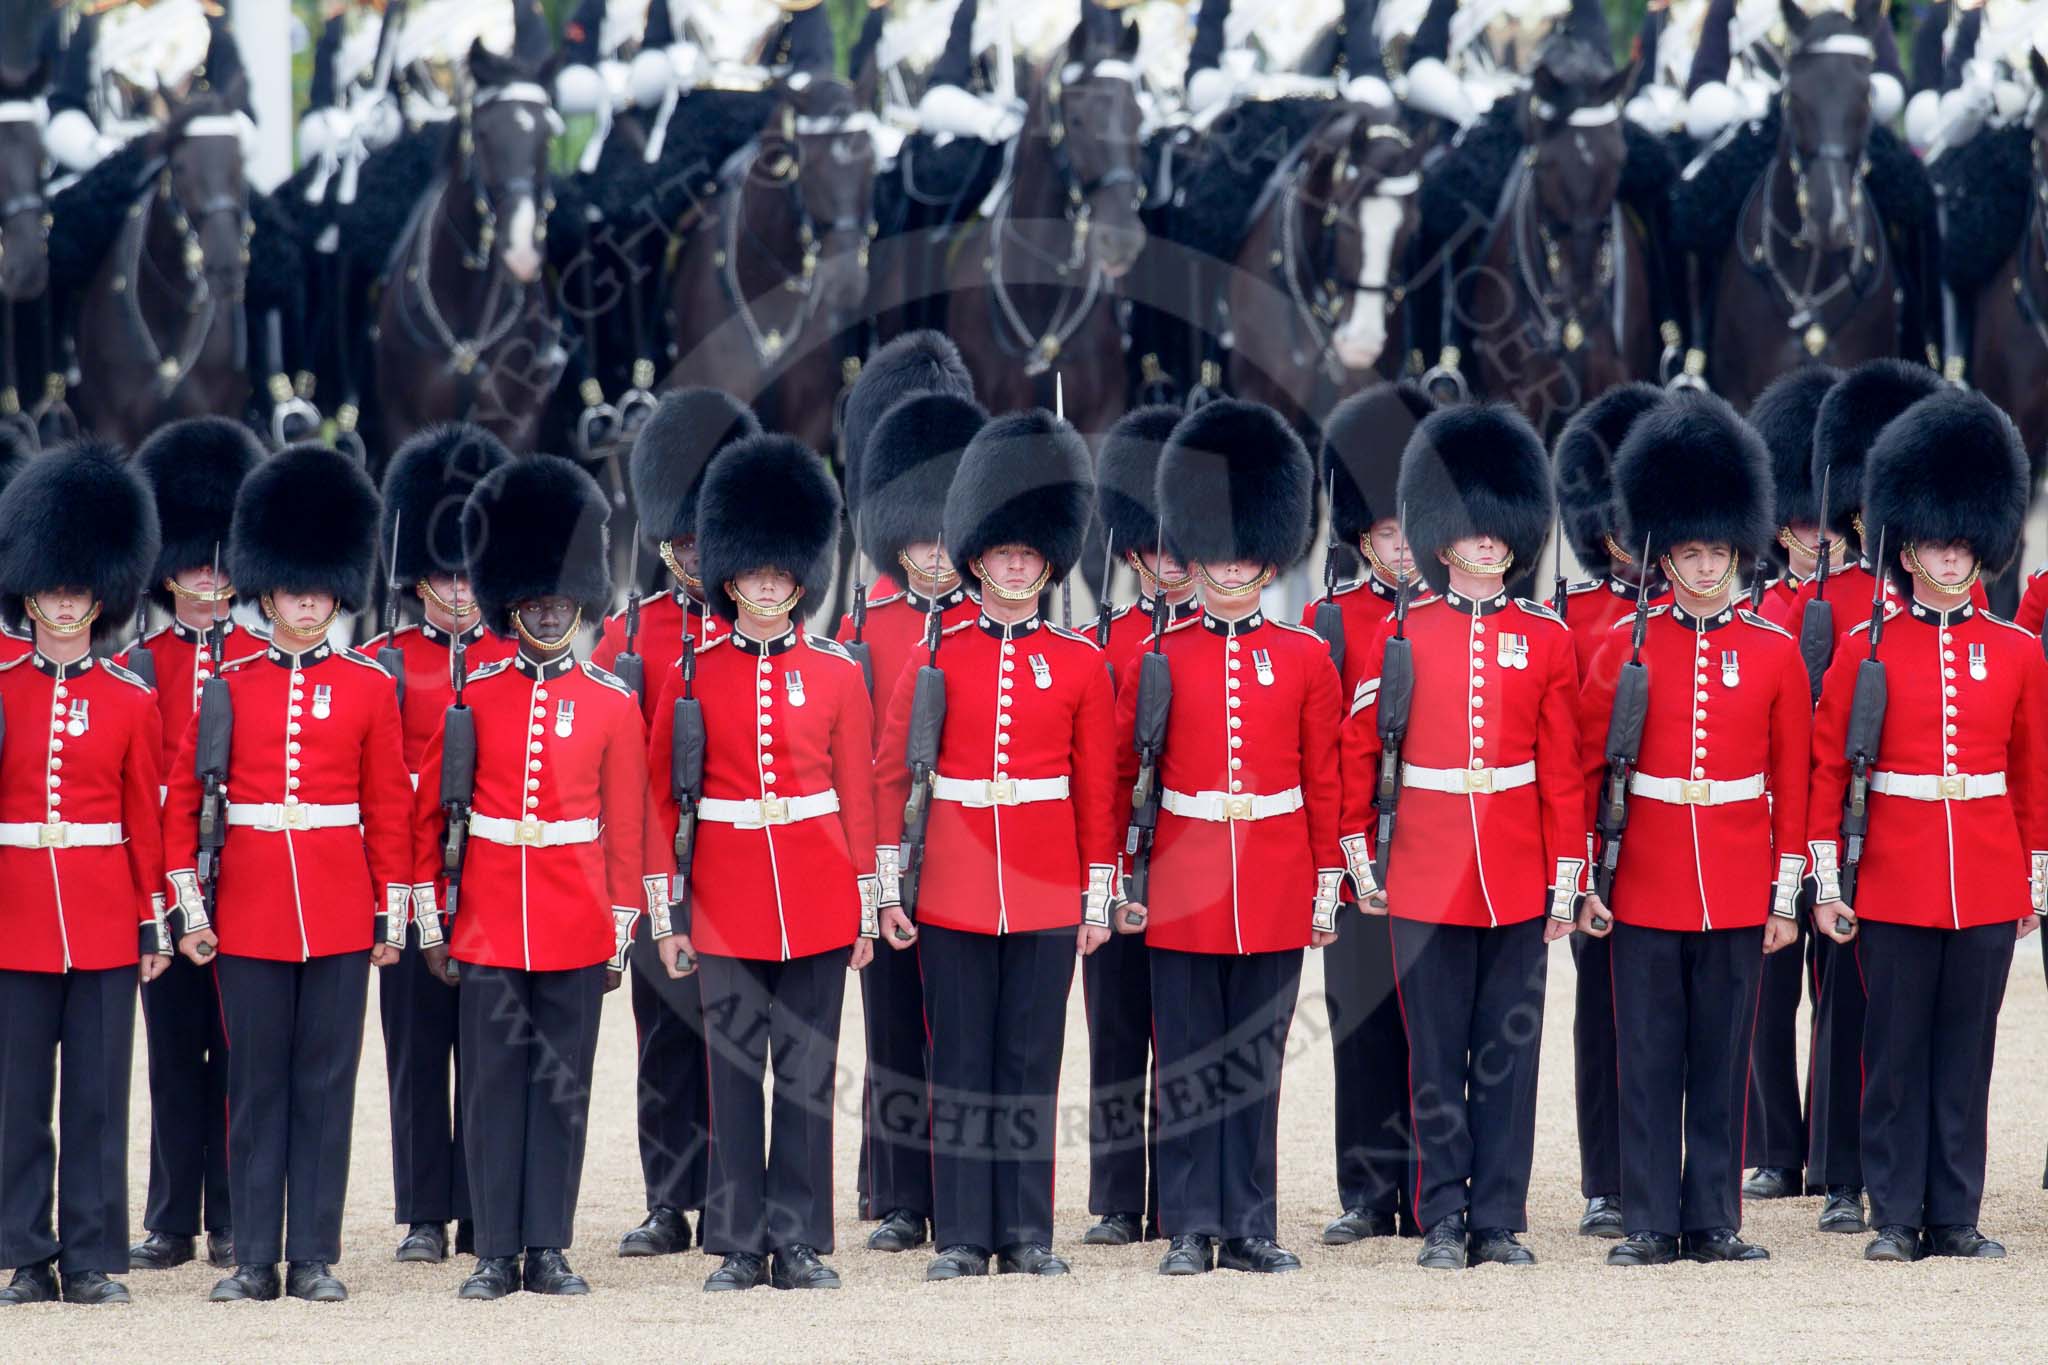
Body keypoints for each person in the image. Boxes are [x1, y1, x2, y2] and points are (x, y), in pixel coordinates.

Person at [162, 443, 413, 1305]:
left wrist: (392, 915)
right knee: (255, 1082)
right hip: (253, 909)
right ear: (265, 591)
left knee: (326, 1083)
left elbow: (388, 809)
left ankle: (312, 1252)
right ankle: (251, 1257)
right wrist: (190, 908)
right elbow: (183, 808)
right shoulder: (226, 685)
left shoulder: (368, 687)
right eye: (293, 587)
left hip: (341, 910)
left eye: (320, 588)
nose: (308, 601)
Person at [1339, 403, 1585, 1271]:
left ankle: (1500, 1216)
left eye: (1497, 532)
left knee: (1508, 1055)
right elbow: (1359, 753)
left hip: (1516, 871)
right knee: (1436, 1056)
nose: (1485, 546)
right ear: (1444, 541)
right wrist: (1360, 861)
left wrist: (1566, 876)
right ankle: (1442, 1211)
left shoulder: (1546, 637)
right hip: (1426, 869)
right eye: (1470, 533)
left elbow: (1560, 768)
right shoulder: (1401, 633)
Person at [874, 410, 1117, 1281]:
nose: (1016, 565)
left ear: (1048, 562)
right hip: (955, 888)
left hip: (1047, 887)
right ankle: (965, 1233)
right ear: (977, 558)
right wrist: (889, 889)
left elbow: (1096, 788)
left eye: (1029, 555)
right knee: (962, 1061)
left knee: (1030, 1062)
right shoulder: (936, 654)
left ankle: (1026, 1231)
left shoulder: (1080, 660)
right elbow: (890, 776)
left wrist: (1094, 896)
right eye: (1002, 553)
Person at [1808, 389, 2047, 1263]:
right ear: (1904, 547)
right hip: (1896, 876)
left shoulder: (2018, 652)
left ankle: (1955, 1213)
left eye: (1962, 541)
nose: (1950, 557)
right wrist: (1828, 881)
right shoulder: (1865, 647)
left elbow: (2031, 780)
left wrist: (2032, 883)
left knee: (1966, 1058)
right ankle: (1894, 1212)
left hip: (1983, 876)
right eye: (1935, 542)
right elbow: (1828, 770)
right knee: (1894, 1052)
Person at [1577, 393, 1811, 1266]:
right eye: (1688, 551)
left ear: (1735, 549)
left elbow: (1792, 779)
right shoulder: (1622, 648)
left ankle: (1713, 1215)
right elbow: (1585, 766)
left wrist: (1785, 892)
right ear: (1662, 553)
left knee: (1723, 1056)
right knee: (1647, 1056)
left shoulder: (1773, 650)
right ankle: (1647, 1218)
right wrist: (1587, 877)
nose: (1704, 566)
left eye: (1716, 550)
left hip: (1740, 878)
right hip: (1645, 876)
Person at [1112, 399, 1342, 1278]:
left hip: (1277, 879)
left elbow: (1324, 780)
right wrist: (1120, 880)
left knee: (1254, 1063)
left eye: (1248, 549)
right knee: (1186, 1062)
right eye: (1219, 548)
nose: (1233, 564)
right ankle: (1187, 1223)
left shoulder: (1304, 656)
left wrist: (1328, 883)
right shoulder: (1155, 657)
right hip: (1181, 877)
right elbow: (1126, 782)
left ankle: (1249, 1220)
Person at [411, 455, 647, 1300]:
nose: (549, 613)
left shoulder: (614, 703)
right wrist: (432, 919)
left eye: (560, 600)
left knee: (560, 1089)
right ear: (514, 604)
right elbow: (430, 817)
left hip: (577, 920)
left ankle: (547, 1244)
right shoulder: (472, 699)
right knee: (491, 1088)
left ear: (579, 602)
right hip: (490, 919)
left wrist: (622, 927)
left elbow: (628, 827)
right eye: (536, 601)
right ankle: (493, 1249)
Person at [646, 433, 878, 1292]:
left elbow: (859, 795)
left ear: (799, 575)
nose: (771, 586)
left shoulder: (837, 673)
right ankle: (741, 1239)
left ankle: (801, 1238)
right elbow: (663, 804)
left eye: (784, 573)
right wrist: (669, 916)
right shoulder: (693, 674)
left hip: (817, 896)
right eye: (755, 574)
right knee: (735, 1073)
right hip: (726, 894)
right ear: (731, 577)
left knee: (808, 1073)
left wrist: (866, 901)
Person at [593, 387, 756, 1260]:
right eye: (683, 541)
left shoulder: (756, 629)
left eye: (707, 539)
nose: (695, 555)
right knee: (663, 1038)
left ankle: (734, 1192)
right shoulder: (633, 631)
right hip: (660, 868)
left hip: (734, 860)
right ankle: (670, 1196)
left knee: (731, 1035)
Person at [0, 441, 164, 1307]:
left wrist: (152, 923)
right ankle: (26, 1252)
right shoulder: (0, 688)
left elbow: (144, 823)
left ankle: (92, 1255)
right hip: (16, 914)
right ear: (28, 592)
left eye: (77, 589)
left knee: (99, 1098)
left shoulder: (132, 698)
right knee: (19, 1098)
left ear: (101, 596)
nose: (64, 604)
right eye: (51, 588)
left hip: (102, 919)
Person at [1796, 358, 1954, 1236]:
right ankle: (1839, 1163)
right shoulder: (1830, 602)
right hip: (1855, 824)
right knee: (1845, 998)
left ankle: (1880, 1167)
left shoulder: (1925, 594)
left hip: (1909, 831)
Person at [834, 333, 982, 1253]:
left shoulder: (988, 616)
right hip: (889, 855)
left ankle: (962, 1186)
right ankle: (898, 1190)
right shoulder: (866, 621)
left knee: (964, 1030)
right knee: (892, 1023)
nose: (932, 551)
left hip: (971, 850)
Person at [362, 423, 516, 1264]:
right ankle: (425, 1209)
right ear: (414, 576)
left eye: (468, 572)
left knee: (491, 1055)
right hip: (412, 890)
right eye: (442, 574)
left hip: (492, 883)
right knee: (417, 1049)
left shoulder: (510, 656)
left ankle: (484, 1207)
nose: (458, 591)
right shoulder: (383, 663)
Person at [120, 417, 267, 1275]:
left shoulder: (258, 659)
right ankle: (173, 1216)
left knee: (241, 1056)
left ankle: (236, 1216)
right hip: (168, 889)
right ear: (167, 572)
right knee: (175, 1056)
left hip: (245, 883)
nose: (210, 580)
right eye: (194, 564)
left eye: (221, 562)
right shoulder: (139, 666)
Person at [1305, 383, 1435, 1246]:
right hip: (1358, 859)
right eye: (1384, 532)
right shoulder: (1334, 619)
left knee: (1435, 1028)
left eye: (1408, 528)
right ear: (1363, 537)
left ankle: (1431, 1187)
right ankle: (1365, 1188)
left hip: (1433, 849)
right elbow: (1320, 750)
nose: (1398, 546)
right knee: (1362, 1022)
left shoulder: (1452, 620)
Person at [1549, 383, 1672, 1239]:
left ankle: (1671, 1173)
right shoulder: (1569, 614)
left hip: (1679, 842)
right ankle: (1606, 1177)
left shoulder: (1693, 615)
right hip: (1603, 845)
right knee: (1604, 1018)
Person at [1079, 404, 1200, 1248]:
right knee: (1117, 1028)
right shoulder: (1101, 643)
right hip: (1121, 858)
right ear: (1132, 554)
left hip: (1195, 857)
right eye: (1155, 553)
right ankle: (1121, 1195)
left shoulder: (1215, 637)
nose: (1170, 567)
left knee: (1190, 1036)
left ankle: (1184, 1197)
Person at [1738, 363, 1842, 1202]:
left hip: (1847, 824)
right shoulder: (1756, 610)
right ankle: (1778, 1147)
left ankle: (1841, 1153)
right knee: (1767, 997)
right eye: (1797, 520)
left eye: (1823, 520)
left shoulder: (1878, 599)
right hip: (1769, 825)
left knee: (1843, 996)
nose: (1810, 533)